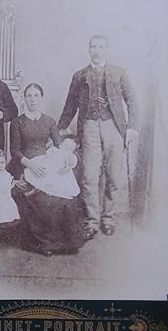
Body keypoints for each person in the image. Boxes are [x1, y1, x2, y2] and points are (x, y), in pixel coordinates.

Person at [58, 35, 139, 236]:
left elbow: (132, 101)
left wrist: (132, 127)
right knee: (89, 176)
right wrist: (61, 127)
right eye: (93, 46)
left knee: (113, 175)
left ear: (106, 49)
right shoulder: (79, 75)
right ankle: (92, 221)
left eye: (101, 46)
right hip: (89, 126)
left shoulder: (118, 72)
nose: (97, 50)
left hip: (114, 126)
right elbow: (70, 104)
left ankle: (108, 218)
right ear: (89, 49)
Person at [9, 83, 86, 256]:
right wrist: (30, 164)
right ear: (24, 98)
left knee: (67, 197)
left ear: (41, 98)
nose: (33, 99)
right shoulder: (17, 122)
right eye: (29, 95)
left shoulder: (49, 121)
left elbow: (60, 146)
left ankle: (66, 243)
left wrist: (70, 161)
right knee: (41, 199)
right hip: (25, 163)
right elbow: (14, 150)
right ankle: (42, 243)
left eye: (36, 95)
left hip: (47, 163)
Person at [24, 134, 80, 199]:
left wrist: (68, 165)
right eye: (65, 144)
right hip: (49, 167)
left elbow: (73, 163)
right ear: (61, 144)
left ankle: (40, 191)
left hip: (59, 173)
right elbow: (48, 154)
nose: (66, 148)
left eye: (70, 148)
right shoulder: (55, 150)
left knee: (54, 185)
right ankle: (34, 189)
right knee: (41, 178)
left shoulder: (70, 156)